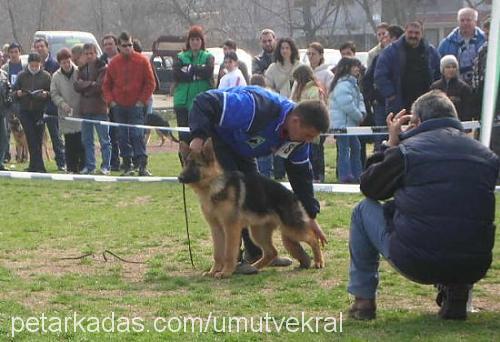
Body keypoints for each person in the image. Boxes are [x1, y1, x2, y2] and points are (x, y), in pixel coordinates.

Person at [347, 90, 498, 321]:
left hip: (417, 260)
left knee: (362, 210)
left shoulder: (406, 151)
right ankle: (457, 291)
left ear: (416, 121)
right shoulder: (487, 156)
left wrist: (390, 143)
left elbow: (370, 188)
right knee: (458, 219)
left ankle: (363, 300)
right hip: (473, 264)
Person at [189, 85, 329, 274]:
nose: (308, 141)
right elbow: (204, 101)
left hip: (244, 150)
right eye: (308, 135)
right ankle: (232, 262)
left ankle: (257, 255)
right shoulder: (256, 107)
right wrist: (198, 137)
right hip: (220, 140)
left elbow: (301, 177)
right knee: (231, 206)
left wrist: (310, 215)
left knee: (256, 198)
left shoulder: (298, 141)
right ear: (296, 122)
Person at [102, 31, 156, 177]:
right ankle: (127, 165)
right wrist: (111, 101)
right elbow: (106, 85)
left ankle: (142, 165)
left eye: (130, 45)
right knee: (122, 136)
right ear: (119, 46)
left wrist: (141, 101)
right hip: (119, 106)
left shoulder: (142, 61)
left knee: (137, 134)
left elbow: (151, 83)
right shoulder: (114, 63)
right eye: (124, 45)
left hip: (136, 106)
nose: (128, 48)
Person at [375, 21, 440, 115]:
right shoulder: (391, 51)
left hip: (426, 104)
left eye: (417, 33)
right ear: (405, 32)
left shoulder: (431, 51)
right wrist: (391, 95)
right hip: (399, 105)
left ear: (422, 33)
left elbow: (439, 73)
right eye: (410, 32)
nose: (413, 35)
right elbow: (380, 76)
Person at [363, 25, 404, 151]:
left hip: (402, 101)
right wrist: (374, 97)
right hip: (381, 102)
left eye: (387, 37)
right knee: (380, 135)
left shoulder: (407, 57)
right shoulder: (378, 57)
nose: (384, 40)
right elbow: (368, 79)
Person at [265, 37, 300, 180]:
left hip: (296, 109)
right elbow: (267, 87)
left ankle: (294, 170)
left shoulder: (300, 66)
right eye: (282, 48)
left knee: (295, 141)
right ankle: (279, 173)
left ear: (292, 50)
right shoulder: (272, 68)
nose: (285, 51)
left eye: (287, 48)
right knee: (279, 140)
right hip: (279, 109)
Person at [173, 25, 214, 144]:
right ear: (188, 41)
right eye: (192, 40)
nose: (195, 42)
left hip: (202, 103)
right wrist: (198, 72)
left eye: (197, 39)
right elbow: (177, 75)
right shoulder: (179, 57)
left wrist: (190, 69)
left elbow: (208, 72)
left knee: (202, 138)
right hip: (183, 103)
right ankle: (185, 162)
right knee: (184, 139)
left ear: (202, 41)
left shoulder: (208, 57)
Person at [74, 43, 111, 175]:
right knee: (87, 140)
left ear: (96, 53)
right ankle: (90, 166)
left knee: (104, 140)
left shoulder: (103, 68)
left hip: (99, 108)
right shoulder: (81, 68)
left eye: (91, 53)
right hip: (85, 110)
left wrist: (86, 87)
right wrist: (90, 84)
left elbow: (99, 86)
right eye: (86, 53)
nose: (89, 56)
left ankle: (106, 166)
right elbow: (77, 86)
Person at [12, 52, 51, 173]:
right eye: (32, 65)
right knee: (30, 137)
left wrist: (46, 95)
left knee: (38, 138)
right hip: (25, 111)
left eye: (36, 65)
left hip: (39, 111)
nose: (34, 68)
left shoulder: (46, 76)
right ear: (28, 64)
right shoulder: (22, 75)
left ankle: (38, 165)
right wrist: (17, 94)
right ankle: (35, 165)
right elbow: (13, 93)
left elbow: (51, 93)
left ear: (40, 64)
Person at [329, 58, 366, 183]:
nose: (357, 69)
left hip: (351, 125)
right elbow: (347, 105)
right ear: (347, 68)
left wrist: (362, 112)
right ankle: (345, 176)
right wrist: (359, 116)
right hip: (343, 125)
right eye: (355, 66)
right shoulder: (342, 85)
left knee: (356, 148)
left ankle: (357, 174)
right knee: (344, 151)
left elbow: (360, 100)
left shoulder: (353, 84)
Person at [34, 38, 66, 171]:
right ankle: (37, 164)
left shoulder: (54, 64)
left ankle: (61, 162)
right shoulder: (33, 64)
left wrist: (48, 94)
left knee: (55, 136)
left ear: (47, 48)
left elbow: (59, 86)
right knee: (36, 137)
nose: (40, 49)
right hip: (37, 107)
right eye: (37, 47)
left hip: (52, 106)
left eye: (42, 46)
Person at [50, 48, 84, 174]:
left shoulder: (78, 71)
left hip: (80, 112)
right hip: (65, 114)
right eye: (63, 62)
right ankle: (71, 167)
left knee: (81, 142)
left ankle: (83, 167)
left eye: (68, 61)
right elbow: (54, 94)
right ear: (59, 63)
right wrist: (62, 104)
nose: (67, 64)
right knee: (69, 143)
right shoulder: (56, 77)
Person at [291, 65, 326, 183]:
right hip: (303, 129)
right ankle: (310, 176)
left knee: (316, 153)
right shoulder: (300, 91)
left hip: (312, 127)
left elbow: (316, 110)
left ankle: (318, 176)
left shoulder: (314, 90)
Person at [252, 28, 277, 180]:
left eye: (270, 40)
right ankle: (265, 172)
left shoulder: (282, 55)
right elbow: (258, 78)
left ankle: (279, 171)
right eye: (264, 41)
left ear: (275, 39)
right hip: (264, 101)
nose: (267, 43)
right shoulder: (257, 60)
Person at [438, 7, 486, 85]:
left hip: (481, 86)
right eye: (462, 20)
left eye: (468, 20)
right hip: (455, 87)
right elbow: (439, 68)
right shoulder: (446, 43)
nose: (465, 23)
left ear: (475, 22)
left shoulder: (486, 41)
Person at [99, 33, 121, 172]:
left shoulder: (122, 58)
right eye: (105, 44)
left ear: (116, 44)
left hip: (123, 101)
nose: (108, 46)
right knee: (111, 134)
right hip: (107, 102)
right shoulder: (100, 61)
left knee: (124, 133)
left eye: (110, 44)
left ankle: (129, 161)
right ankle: (114, 162)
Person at [1, 42, 25, 163]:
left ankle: (23, 156)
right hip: (9, 103)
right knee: (7, 130)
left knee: (22, 130)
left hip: (22, 102)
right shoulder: (5, 68)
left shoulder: (24, 66)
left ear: (19, 52)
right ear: (8, 54)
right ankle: (6, 155)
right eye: (11, 52)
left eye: (16, 52)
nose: (14, 54)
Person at [430, 55, 473, 121]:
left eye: (454, 67)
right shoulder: (435, 87)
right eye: (448, 67)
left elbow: (467, 111)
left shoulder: (464, 88)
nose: (451, 69)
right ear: (442, 69)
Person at [0, 68, 9, 170]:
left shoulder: (4, 74)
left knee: (3, 138)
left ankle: (0, 163)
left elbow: (8, 90)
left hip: (2, 111)